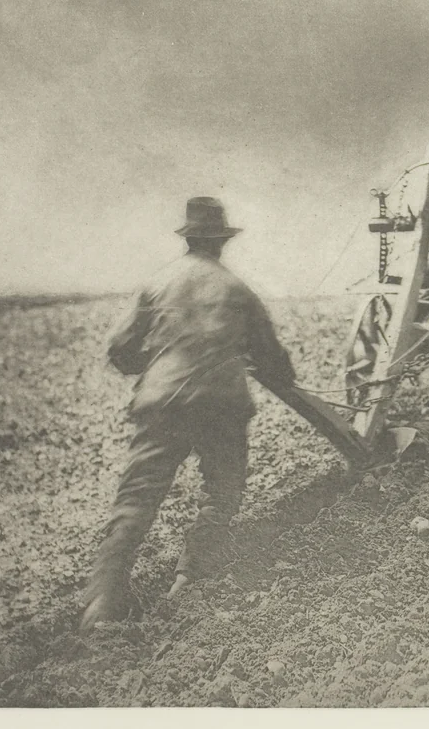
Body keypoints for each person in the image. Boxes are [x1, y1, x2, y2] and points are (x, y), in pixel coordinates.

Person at [80, 197, 296, 630]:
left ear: (189, 237)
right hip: (221, 405)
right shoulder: (238, 290)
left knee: (136, 502)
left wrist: (158, 365)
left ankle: (99, 610)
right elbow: (274, 362)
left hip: (161, 405)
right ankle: (186, 586)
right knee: (221, 495)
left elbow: (119, 349)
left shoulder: (158, 283)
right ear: (221, 242)